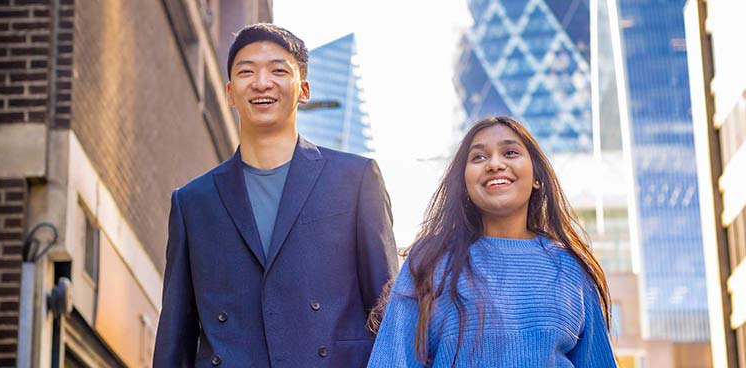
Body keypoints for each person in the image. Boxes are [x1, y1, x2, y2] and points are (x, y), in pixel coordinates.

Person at [153, 23, 398, 367]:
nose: (262, 82)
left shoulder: (356, 180)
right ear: (229, 92)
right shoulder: (193, 202)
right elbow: (174, 337)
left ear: (304, 89)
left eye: (278, 70)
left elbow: (389, 316)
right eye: (246, 71)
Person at [367, 117, 617, 367]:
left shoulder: (572, 270)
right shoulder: (430, 261)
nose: (495, 164)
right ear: (464, 183)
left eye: (510, 152)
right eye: (478, 157)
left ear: (537, 178)